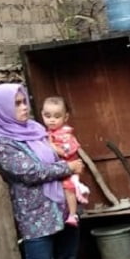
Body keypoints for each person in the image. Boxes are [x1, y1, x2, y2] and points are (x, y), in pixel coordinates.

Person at [0, 83, 92, 259]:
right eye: (17, 103)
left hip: (63, 206)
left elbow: (62, 152)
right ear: (1, 109)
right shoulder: (1, 143)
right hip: (35, 215)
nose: (24, 107)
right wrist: (69, 168)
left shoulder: (35, 130)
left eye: (24, 102)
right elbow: (30, 172)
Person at [41, 96, 90, 227]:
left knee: (69, 189)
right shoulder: (45, 132)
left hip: (69, 168)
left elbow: (65, 152)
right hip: (56, 170)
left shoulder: (65, 134)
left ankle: (73, 214)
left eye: (57, 116)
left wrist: (50, 145)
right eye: (47, 115)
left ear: (65, 117)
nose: (52, 120)